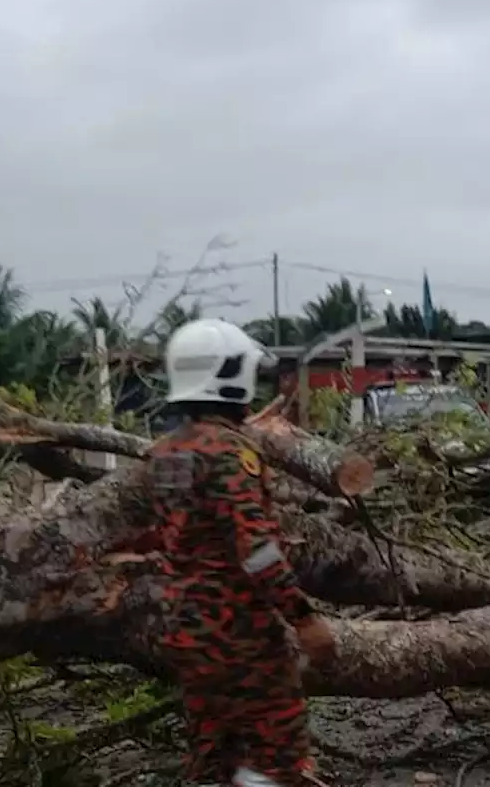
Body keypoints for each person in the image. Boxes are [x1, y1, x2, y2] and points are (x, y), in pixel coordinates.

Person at [147, 318, 334, 787]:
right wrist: (303, 617)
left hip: (184, 629)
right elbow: (255, 549)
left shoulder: (165, 452)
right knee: (279, 756)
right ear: (232, 374)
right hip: (239, 633)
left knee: (211, 752)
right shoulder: (229, 452)